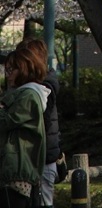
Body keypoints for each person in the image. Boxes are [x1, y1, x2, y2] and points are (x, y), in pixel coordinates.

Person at [0, 42, 49, 208]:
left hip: (16, 172)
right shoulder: (26, 94)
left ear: (25, 69)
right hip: (18, 170)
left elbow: (5, 121)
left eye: (11, 70)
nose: (8, 75)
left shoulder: (28, 96)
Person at [16, 41, 61, 208]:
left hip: (42, 159)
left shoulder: (39, 90)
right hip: (43, 157)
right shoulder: (41, 86)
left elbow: (41, 124)